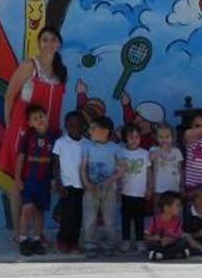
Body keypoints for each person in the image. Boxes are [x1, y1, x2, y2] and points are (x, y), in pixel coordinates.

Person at [0, 26, 67, 243]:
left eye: (53, 39)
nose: (49, 43)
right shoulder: (30, 66)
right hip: (22, 131)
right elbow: (10, 96)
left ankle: (37, 233)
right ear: (39, 43)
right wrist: (11, 128)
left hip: (47, 135)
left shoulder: (60, 72)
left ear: (58, 43)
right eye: (45, 39)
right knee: (19, 182)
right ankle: (18, 233)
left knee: (39, 181)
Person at [14, 105, 58, 256]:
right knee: (27, 210)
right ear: (30, 122)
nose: (39, 120)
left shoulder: (54, 137)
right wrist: (18, 178)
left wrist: (54, 180)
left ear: (46, 117)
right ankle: (23, 239)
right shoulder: (28, 137)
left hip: (44, 182)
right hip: (29, 181)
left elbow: (55, 162)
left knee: (40, 212)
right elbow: (20, 158)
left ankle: (37, 239)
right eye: (35, 118)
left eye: (41, 116)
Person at [81, 116, 123, 257]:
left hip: (109, 189)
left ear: (105, 131)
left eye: (93, 128)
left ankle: (110, 244)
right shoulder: (87, 147)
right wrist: (87, 184)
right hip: (91, 188)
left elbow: (122, 168)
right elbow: (83, 167)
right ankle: (89, 244)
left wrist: (111, 180)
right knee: (89, 217)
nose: (90, 131)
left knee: (109, 217)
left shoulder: (115, 148)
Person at [53, 110, 89, 253]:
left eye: (78, 124)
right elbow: (55, 165)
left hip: (83, 186)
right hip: (67, 186)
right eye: (71, 124)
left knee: (78, 217)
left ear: (83, 126)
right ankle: (62, 240)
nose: (74, 127)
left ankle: (74, 242)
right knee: (67, 217)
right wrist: (58, 184)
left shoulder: (87, 144)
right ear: (66, 126)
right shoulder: (60, 143)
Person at [118, 125, 152, 253]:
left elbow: (149, 172)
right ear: (125, 138)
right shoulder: (121, 152)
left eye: (137, 137)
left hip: (140, 193)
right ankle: (125, 240)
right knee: (125, 219)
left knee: (139, 219)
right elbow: (117, 172)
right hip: (125, 192)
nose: (134, 140)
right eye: (131, 137)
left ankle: (140, 241)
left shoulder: (144, 153)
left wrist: (149, 188)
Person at [144, 191, 190, 261]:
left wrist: (170, 240)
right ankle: (174, 254)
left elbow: (178, 235)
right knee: (151, 244)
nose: (180, 209)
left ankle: (162, 255)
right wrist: (154, 238)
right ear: (166, 207)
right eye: (177, 206)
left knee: (184, 242)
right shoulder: (154, 220)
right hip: (159, 243)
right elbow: (146, 236)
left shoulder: (178, 221)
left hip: (171, 244)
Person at [150, 124, 183, 206]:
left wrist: (181, 185)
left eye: (167, 136)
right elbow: (151, 158)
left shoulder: (177, 151)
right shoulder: (154, 149)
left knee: (173, 209)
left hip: (173, 187)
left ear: (172, 137)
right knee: (158, 209)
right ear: (156, 138)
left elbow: (180, 170)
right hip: (159, 188)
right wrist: (162, 149)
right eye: (161, 137)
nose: (164, 139)